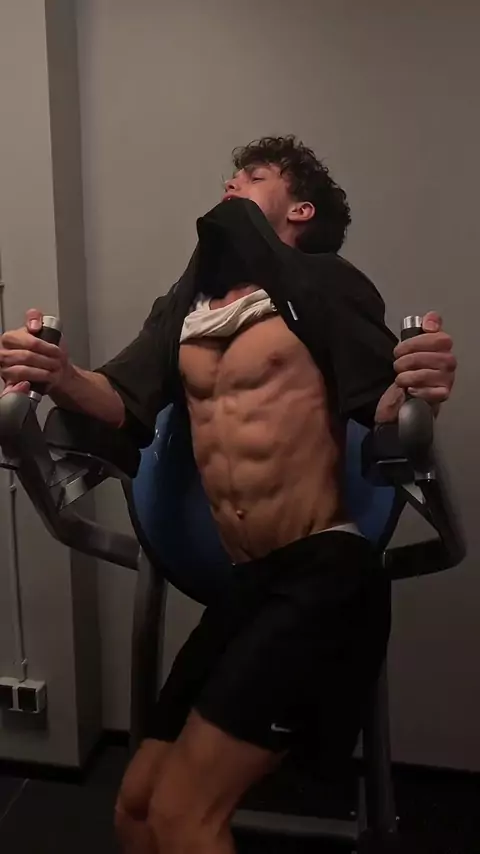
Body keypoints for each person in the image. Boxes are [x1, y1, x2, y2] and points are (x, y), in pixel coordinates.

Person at [0, 136, 456, 854]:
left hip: (322, 576)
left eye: (253, 175)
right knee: (137, 807)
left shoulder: (325, 283)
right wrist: (57, 372)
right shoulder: (187, 306)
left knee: (185, 815)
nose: (231, 184)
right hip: (248, 590)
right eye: (232, 174)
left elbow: (382, 404)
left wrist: (418, 385)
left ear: (299, 209)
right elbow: (120, 398)